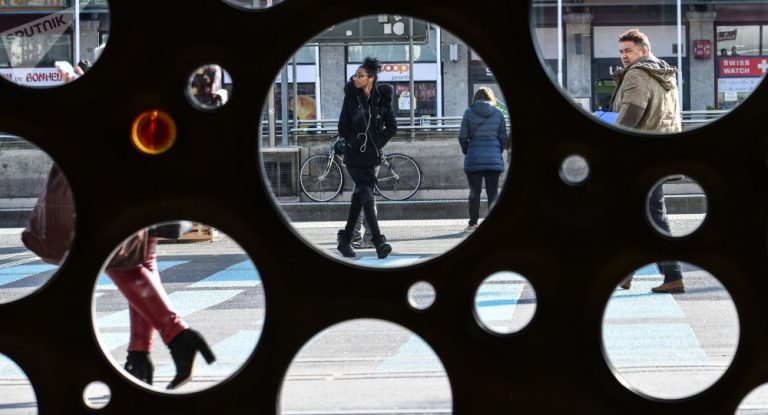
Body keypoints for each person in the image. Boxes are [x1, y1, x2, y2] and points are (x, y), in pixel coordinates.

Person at [52, 65, 217, 388]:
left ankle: (179, 336)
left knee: (115, 258)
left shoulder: (133, 63)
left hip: (122, 176)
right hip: (153, 168)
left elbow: (112, 115)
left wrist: (78, 88)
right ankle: (139, 358)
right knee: (141, 262)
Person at [610, 28, 685, 294]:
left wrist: (609, 140)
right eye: (621, 51)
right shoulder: (663, 73)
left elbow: (632, 113)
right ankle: (627, 272)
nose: (623, 56)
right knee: (636, 215)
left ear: (644, 50)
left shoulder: (638, 74)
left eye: (628, 50)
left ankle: (673, 275)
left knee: (652, 217)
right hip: (659, 152)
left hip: (639, 156)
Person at [335, 57, 395, 259]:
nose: (356, 79)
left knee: (358, 198)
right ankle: (378, 240)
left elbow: (392, 126)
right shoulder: (351, 97)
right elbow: (342, 126)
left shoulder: (382, 98)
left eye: (360, 76)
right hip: (354, 156)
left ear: (371, 78)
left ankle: (345, 239)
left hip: (372, 156)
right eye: (355, 76)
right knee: (367, 193)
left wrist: (378, 142)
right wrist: (354, 141)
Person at [458, 87, 508, 233]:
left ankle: (473, 224)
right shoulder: (498, 113)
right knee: (493, 193)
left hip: (474, 159)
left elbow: (462, 137)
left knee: (474, 193)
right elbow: (503, 138)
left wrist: (467, 150)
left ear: (475, 98)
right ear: (490, 97)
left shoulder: (468, 113)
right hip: (493, 160)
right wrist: (497, 151)